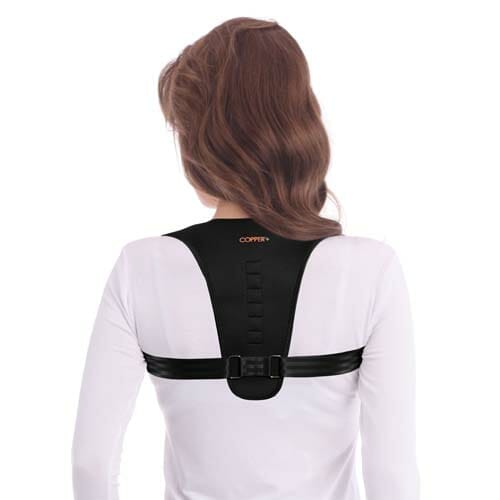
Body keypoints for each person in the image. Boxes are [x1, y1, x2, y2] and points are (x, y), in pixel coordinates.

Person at [71, 16, 419, 500]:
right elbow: (393, 476)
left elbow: (91, 463)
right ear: (303, 121)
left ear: (200, 141)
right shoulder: (371, 269)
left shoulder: (141, 267)